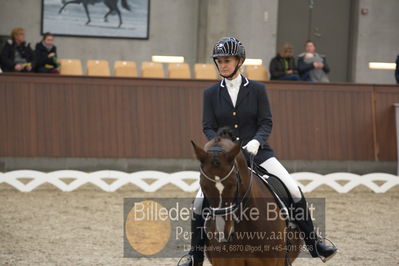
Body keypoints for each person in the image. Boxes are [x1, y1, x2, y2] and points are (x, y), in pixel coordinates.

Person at [178, 37, 338, 266]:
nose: (222, 65)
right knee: (198, 202)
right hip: (225, 159)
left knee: (293, 189)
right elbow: (208, 126)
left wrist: (256, 141)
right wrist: (220, 147)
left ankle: (314, 242)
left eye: (227, 60)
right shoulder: (210, 93)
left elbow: (266, 122)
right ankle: (195, 255)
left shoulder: (257, 89)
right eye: (219, 61)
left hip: (259, 153)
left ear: (239, 61)